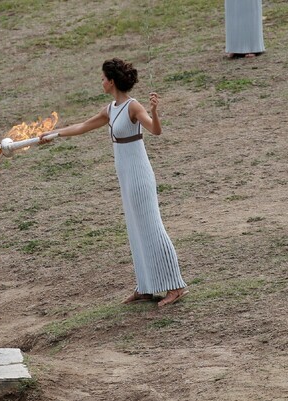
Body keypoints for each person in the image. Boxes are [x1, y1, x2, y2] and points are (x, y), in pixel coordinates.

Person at [39, 58, 188, 307]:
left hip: (139, 174)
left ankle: (176, 286)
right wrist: (54, 134)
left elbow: (155, 130)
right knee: (135, 229)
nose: (101, 82)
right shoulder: (110, 109)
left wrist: (154, 111)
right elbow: (83, 126)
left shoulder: (133, 107)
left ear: (111, 81)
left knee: (151, 227)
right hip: (125, 175)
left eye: (102, 78)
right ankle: (146, 287)